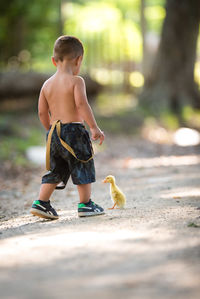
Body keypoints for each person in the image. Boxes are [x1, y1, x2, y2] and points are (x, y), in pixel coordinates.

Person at [30, 35, 105, 220]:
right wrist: (94, 127)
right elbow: (81, 105)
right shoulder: (76, 81)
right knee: (83, 164)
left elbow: (41, 112)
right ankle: (86, 204)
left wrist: (50, 131)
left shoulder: (46, 85)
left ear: (53, 61)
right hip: (75, 132)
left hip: (55, 132)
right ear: (79, 60)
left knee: (56, 169)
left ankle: (42, 202)